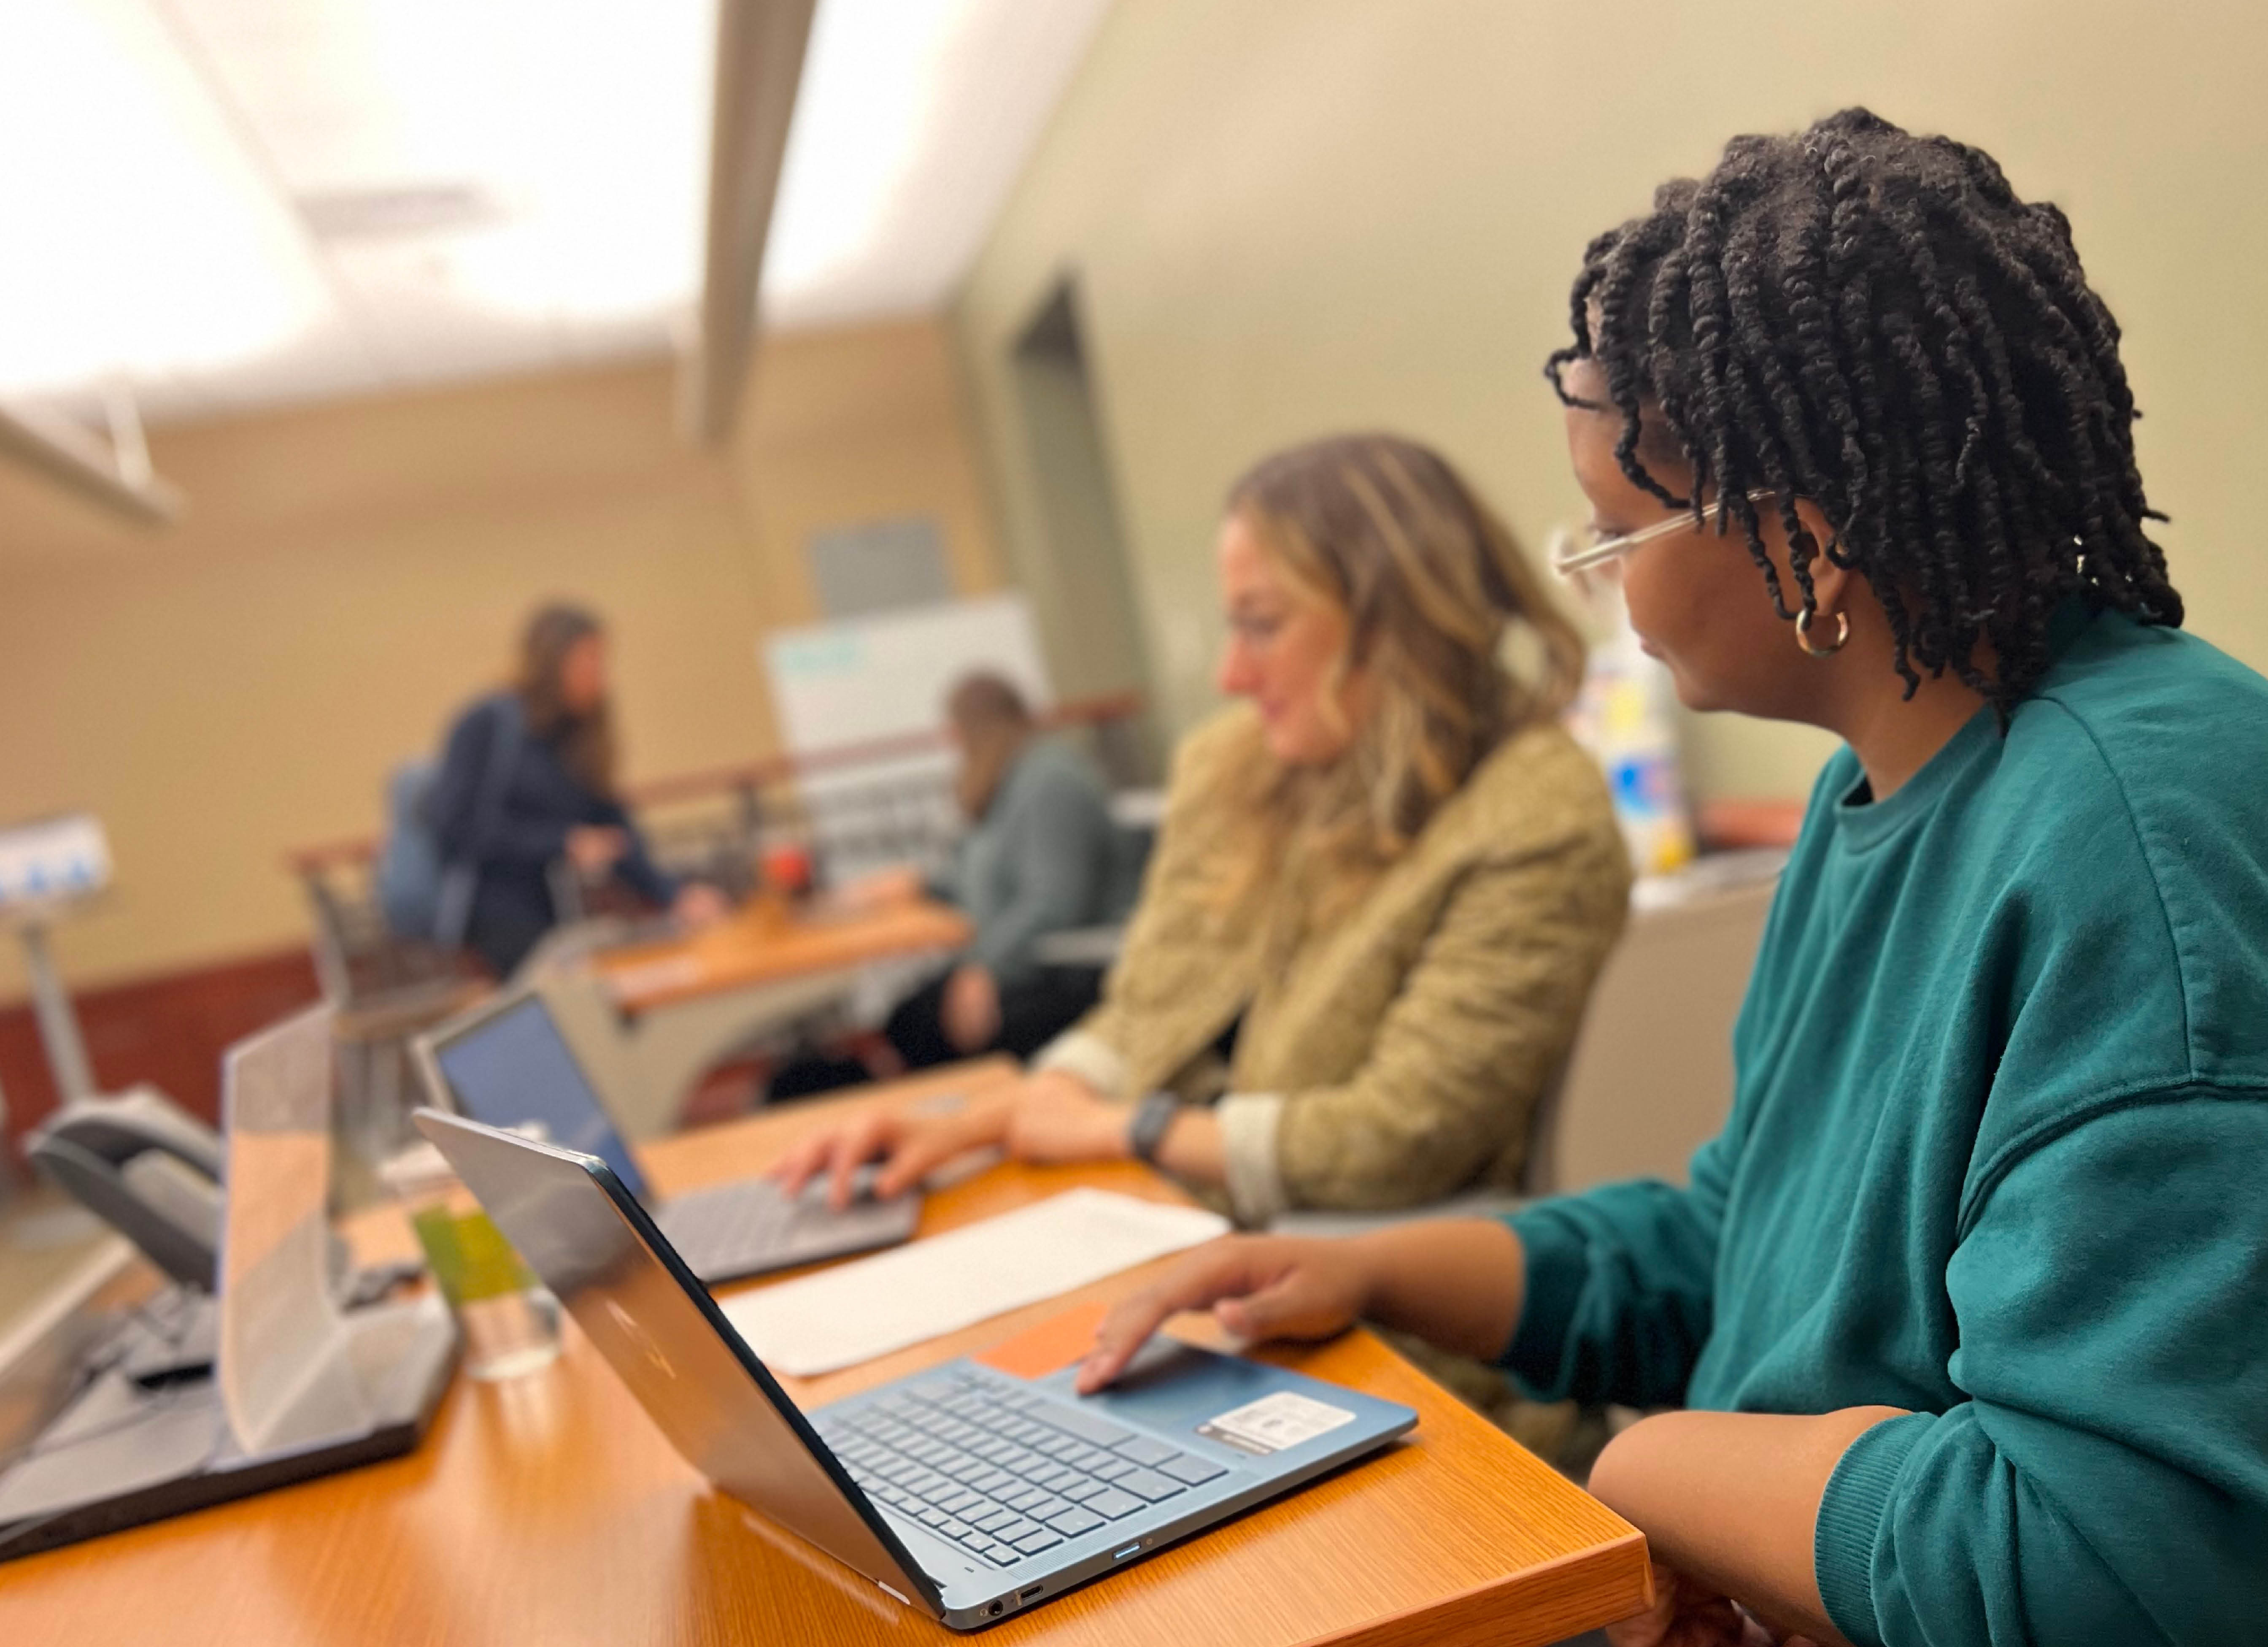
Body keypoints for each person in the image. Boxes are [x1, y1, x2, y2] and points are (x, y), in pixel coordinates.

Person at [1076, 112, 2268, 1647]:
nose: (1598, 582)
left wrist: (1662, 1472)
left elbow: (2150, 1559)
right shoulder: (1886, 798)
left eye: (1614, 529)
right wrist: (1371, 1263)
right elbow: (1737, 1236)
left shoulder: (2152, 838)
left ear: (1804, 535)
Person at [773, 434, 1632, 1227]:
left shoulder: (1534, 811)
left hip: (1390, 1311)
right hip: (1209, 1238)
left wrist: (1127, 1130)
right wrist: (971, 1125)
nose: (1230, 673)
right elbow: (1144, 1010)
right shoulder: (1239, 765)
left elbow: (1398, 1141)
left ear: (1396, 616)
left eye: (1261, 624)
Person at [767, 673, 1142, 1100]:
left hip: (1068, 968)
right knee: (908, 1016)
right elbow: (970, 877)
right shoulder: (1009, 781)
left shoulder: (1050, 780)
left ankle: (976, 1119)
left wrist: (985, 967)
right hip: (1022, 958)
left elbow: (1054, 903)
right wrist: (919, 885)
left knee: (925, 1024)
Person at [418, 602, 721, 978]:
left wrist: (674, 894)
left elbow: (614, 830)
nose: (600, 676)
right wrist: (562, 841)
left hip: (561, 910)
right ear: (552, 662)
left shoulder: (576, 737)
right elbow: (456, 826)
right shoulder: (488, 724)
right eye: (589, 661)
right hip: (495, 913)